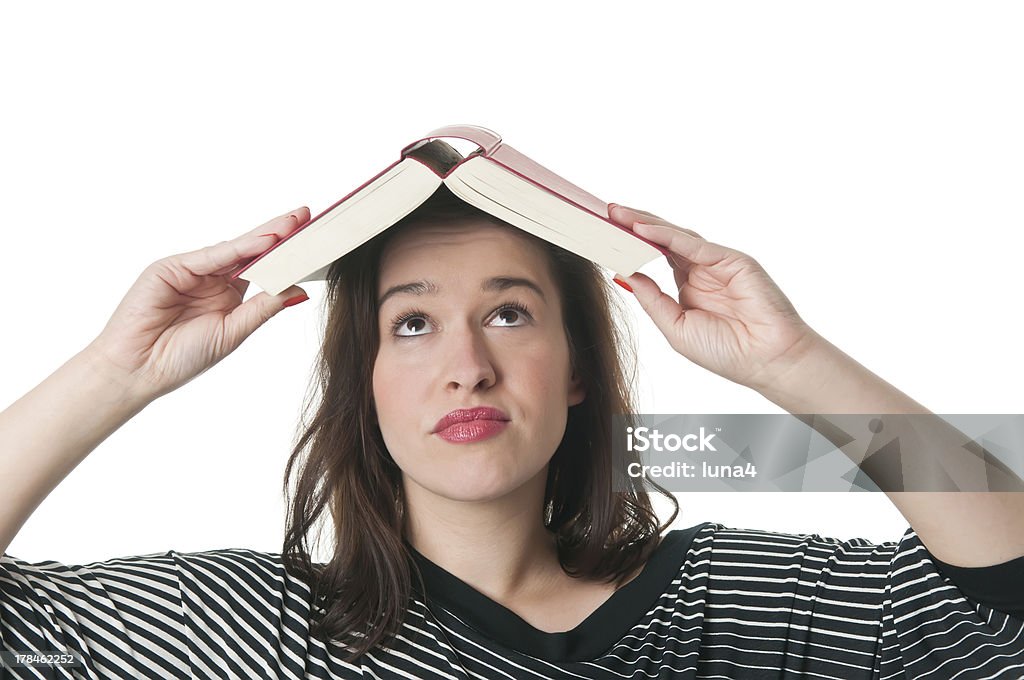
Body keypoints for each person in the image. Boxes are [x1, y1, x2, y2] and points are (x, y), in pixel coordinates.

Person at [1, 184, 1022, 679]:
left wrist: (787, 360)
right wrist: (113, 372)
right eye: (411, 323)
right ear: (364, 384)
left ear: (577, 368)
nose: (465, 363)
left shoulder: (743, 606)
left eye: (508, 312)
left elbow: (1004, 599)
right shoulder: (239, 629)